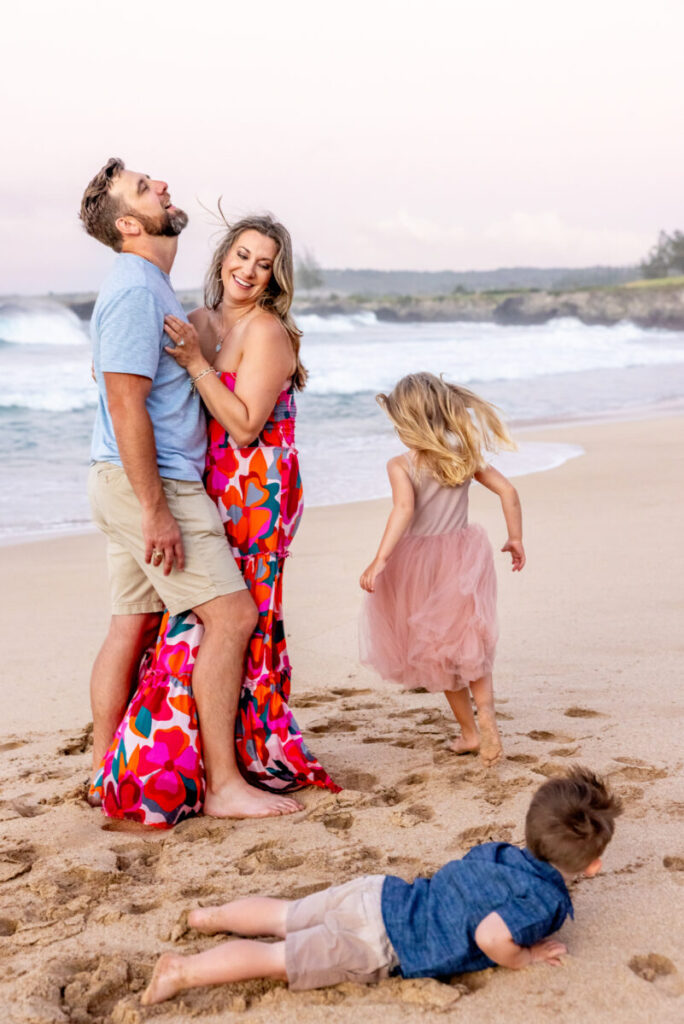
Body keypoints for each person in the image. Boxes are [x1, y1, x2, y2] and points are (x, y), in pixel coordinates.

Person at [88, 211, 338, 826]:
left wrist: (199, 363)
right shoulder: (194, 320)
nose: (248, 270)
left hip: (255, 489)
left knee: (239, 616)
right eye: (242, 255)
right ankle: (160, 760)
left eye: (263, 263)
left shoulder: (267, 331)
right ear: (223, 254)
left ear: (276, 277)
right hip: (202, 483)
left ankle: (243, 753)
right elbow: (127, 380)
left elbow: (246, 423)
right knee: (182, 621)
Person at [141, 766, 622, 1003]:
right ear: (592, 865)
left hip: (379, 893)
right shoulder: (544, 900)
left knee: (286, 915)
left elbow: (469, 872)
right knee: (276, 958)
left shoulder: (501, 851)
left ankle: (211, 917)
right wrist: (527, 956)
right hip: (383, 940)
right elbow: (491, 937)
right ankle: (182, 972)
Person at [358, 372, 525, 766]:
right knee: (470, 646)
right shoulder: (462, 453)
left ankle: (470, 733)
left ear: (410, 422)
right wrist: (515, 538)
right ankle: (487, 727)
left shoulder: (401, 464)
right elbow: (509, 491)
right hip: (464, 557)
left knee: (440, 654)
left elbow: (403, 510)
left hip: (420, 565)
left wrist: (380, 559)